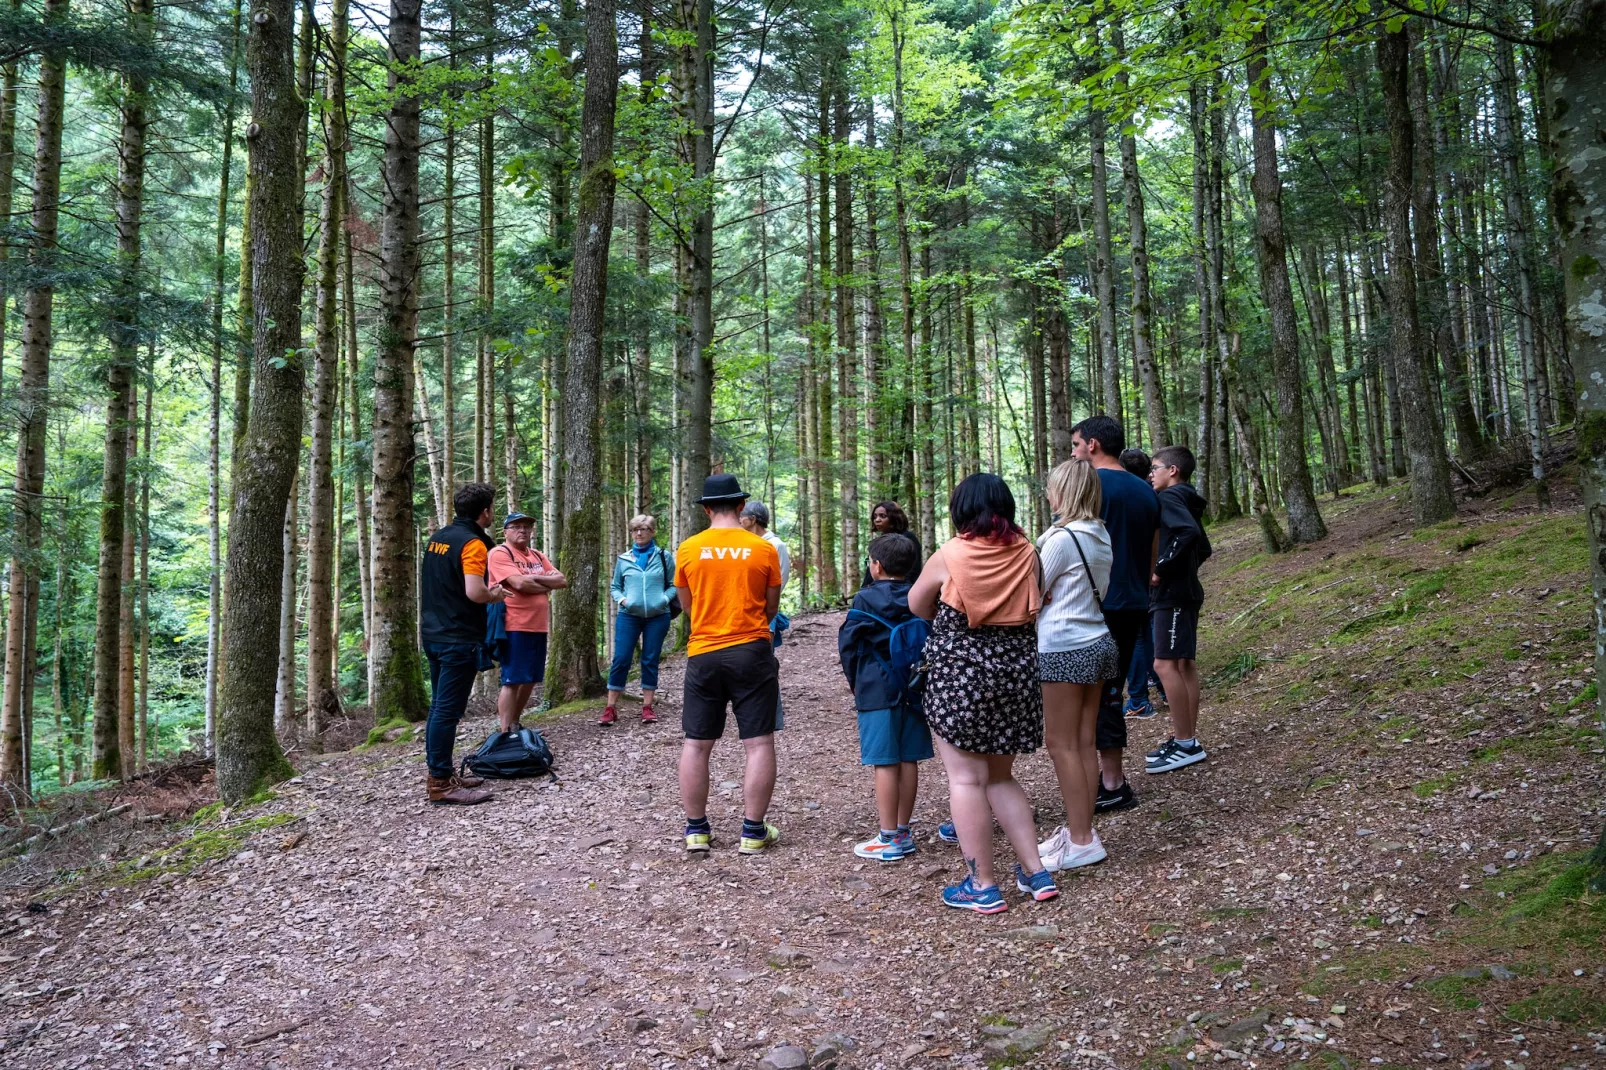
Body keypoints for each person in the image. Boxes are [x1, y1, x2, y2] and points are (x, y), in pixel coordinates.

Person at [910, 473, 1056, 913]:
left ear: (961, 510)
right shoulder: (1029, 552)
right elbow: (1040, 599)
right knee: (1000, 776)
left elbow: (916, 603)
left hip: (962, 679)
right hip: (1018, 676)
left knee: (966, 779)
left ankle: (982, 885)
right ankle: (1036, 872)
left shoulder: (951, 554)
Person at [675, 474, 785, 855]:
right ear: (741, 507)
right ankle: (753, 832)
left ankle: (696, 830)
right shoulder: (763, 549)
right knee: (758, 743)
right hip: (751, 649)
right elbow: (771, 608)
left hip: (703, 651)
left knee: (697, 743)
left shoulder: (688, 549)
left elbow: (688, 608)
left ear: (706, 508)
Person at [1034, 459, 1117, 872]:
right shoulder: (1099, 533)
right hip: (1097, 641)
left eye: (1052, 488)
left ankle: (1082, 839)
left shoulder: (1063, 538)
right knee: (1083, 743)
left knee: (1061, 744)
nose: (1048, 494)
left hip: (1063, 646)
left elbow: (1031, 593)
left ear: (1064, 492)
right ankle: (1080, 832)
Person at [1071, 415, 1157, 814]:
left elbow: (1074, 542)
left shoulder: (1091, 486)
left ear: (1092, 445)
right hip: (1135, 601)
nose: (1073, 454)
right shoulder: (1144, 489)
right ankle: (1108, 779)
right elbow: (1153, 546)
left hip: (1098, 604)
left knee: (1096, 695)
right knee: (1109, 690)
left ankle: (1111, 782)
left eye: (1075, 446)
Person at [838, 533, 931, 862]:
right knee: (909, 758)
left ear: (876, 566)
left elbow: (848, 645)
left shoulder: (864, 600)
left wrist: (855, 682)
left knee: (885, 762)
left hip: (877, 689)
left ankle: (887, 837)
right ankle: (903, 831)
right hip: (915, 687)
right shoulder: (919, 596)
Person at [419, 482, 508, 805]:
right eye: (492, 509)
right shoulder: (473, 544)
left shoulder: (438, 538)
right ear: (485, 511)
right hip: (458, 637)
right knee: (447, 710)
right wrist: (495, 595)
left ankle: (442, 773)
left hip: (433, 633)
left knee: (439, 708)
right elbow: (474, 591)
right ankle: (440, 782)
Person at [1146, 445, 1211, 773]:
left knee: (1165, 664)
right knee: (1183, 665)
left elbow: (1187, 534)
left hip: (1172, 596)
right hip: (1185, 592)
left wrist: (1161, 567)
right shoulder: (1188, 499)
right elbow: (1204, 546)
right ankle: (1186, 738)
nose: (1150, 474)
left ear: (1173, 470)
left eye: (1155, 468)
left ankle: (1185, 743)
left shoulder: (1169, 499)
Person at [487, 511, 566, 733]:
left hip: (538, 625)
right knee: (512, 679)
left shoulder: (538, 556)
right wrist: (545, 583)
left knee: (530, 678)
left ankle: (514, 723)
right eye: (517, 526)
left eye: (527, 527)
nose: (523, 530)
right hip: (514, 624)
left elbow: (562, 580)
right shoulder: (500, 554)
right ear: (506, 532)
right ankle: (504, 733)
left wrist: (534, 580)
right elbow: (519, 584)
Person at [604, 514, 675, 726]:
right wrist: (623, 600)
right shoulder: (624, 559)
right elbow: (615, 587)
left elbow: (674, 584)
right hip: (629, 616)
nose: (638, 533)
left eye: (643, 529)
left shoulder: (664, 556)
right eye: (635, 530)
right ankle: (610, 708)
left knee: (650, 659)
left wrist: (663, 599)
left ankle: (647, 707)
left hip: (658, 616)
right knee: (621, 659)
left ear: (652, 532)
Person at [1118, 448, 1165, 720]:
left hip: (1135, 576)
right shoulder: (1150, 495)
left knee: (1139, 636)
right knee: (1146, 634)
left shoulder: (1131, 497)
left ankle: (1138, 698)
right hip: (1147, 574)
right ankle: (1161, 687)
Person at [739, 501, 791, 648]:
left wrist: (765, 602)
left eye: (742, 516)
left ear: (753, 519)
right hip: (746, 609)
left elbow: (781, 578)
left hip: (766, 608)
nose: (739, 520)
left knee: (764, 649)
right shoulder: (746, 544)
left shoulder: (775, 544)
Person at [860, 500, 922, 588]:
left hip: (900, 591)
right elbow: (871, 572)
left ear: (894, 517)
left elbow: (913, 570)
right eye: (875, 516)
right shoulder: (879, 541)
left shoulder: (907, 538)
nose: (877, 520)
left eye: (882, 516)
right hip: (876, 590)